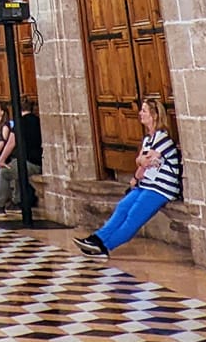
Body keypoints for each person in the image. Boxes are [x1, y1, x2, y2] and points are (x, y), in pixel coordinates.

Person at [76, 97, 182, 258]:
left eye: (144, 111)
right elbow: (141, 162)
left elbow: (143, 161)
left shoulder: (163, 138)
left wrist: (141, 161)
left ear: (154, 115)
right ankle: (97, 238)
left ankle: (105, 247)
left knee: (134, 215)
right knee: (123, 206)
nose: (140, 114)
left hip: (161, 188)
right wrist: (137, 170)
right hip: (146, 184)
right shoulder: (148, 140)